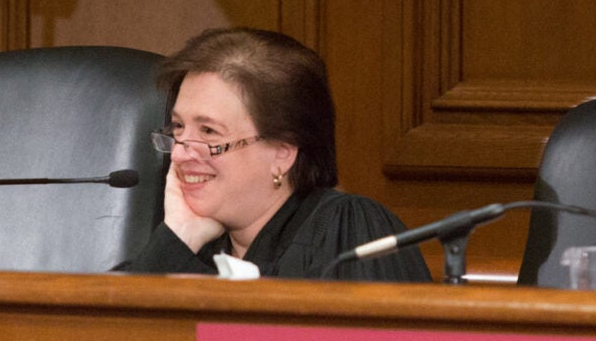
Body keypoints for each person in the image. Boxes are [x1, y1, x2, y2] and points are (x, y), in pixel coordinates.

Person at [119, 28, 431, 282]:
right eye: (177, 127)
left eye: (209, 133)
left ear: (282, 153)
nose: (179, 154)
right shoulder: (197, 243)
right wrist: (180, 234)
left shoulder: (348, 228)